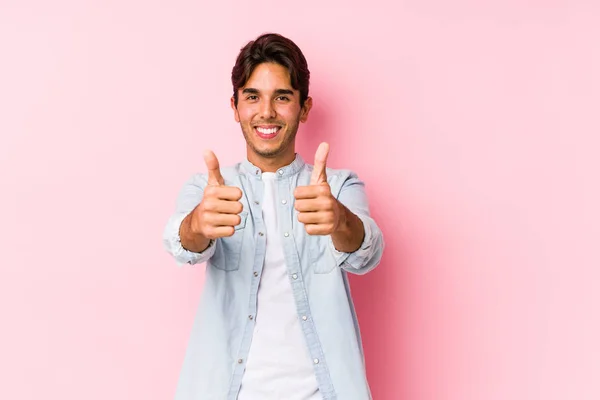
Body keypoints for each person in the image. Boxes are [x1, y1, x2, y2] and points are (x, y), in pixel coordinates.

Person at [163, 32, 385, 400]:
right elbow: (179, 243)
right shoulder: (208, 188)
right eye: (252, 97)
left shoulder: (338, 187)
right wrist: (198, 224)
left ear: (304, 107)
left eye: (282, 97)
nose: (266, 112)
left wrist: (339, 220)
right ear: (235, 107)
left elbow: (367, 253)